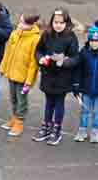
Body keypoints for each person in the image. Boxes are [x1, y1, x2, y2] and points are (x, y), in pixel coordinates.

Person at [31, 8, 79, 142]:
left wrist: (64, 62)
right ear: (51, 22)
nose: (58, 25)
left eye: (61, 23)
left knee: (59, 103)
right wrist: (40, 58)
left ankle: (57, 129)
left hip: (62, 77)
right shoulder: (46, 35)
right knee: (48, 103)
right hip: (48, 75)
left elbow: (76, 58)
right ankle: (46, 126)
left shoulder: (71, 38)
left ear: (66, 23)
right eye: (56, 22)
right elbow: (38, 50)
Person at [0, 9, 41, 136]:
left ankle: (19, 122)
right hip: (11, 73)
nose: (20, 25)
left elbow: (33, 63)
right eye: (20, 21)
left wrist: (29, 81)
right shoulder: (14, 34)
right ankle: (14, 118)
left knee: (22, 101)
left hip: (23, 78)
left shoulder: (35, 39)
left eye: (23, 23)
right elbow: (7, 53)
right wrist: (2, 69)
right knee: (13, 98)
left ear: (31, 24)